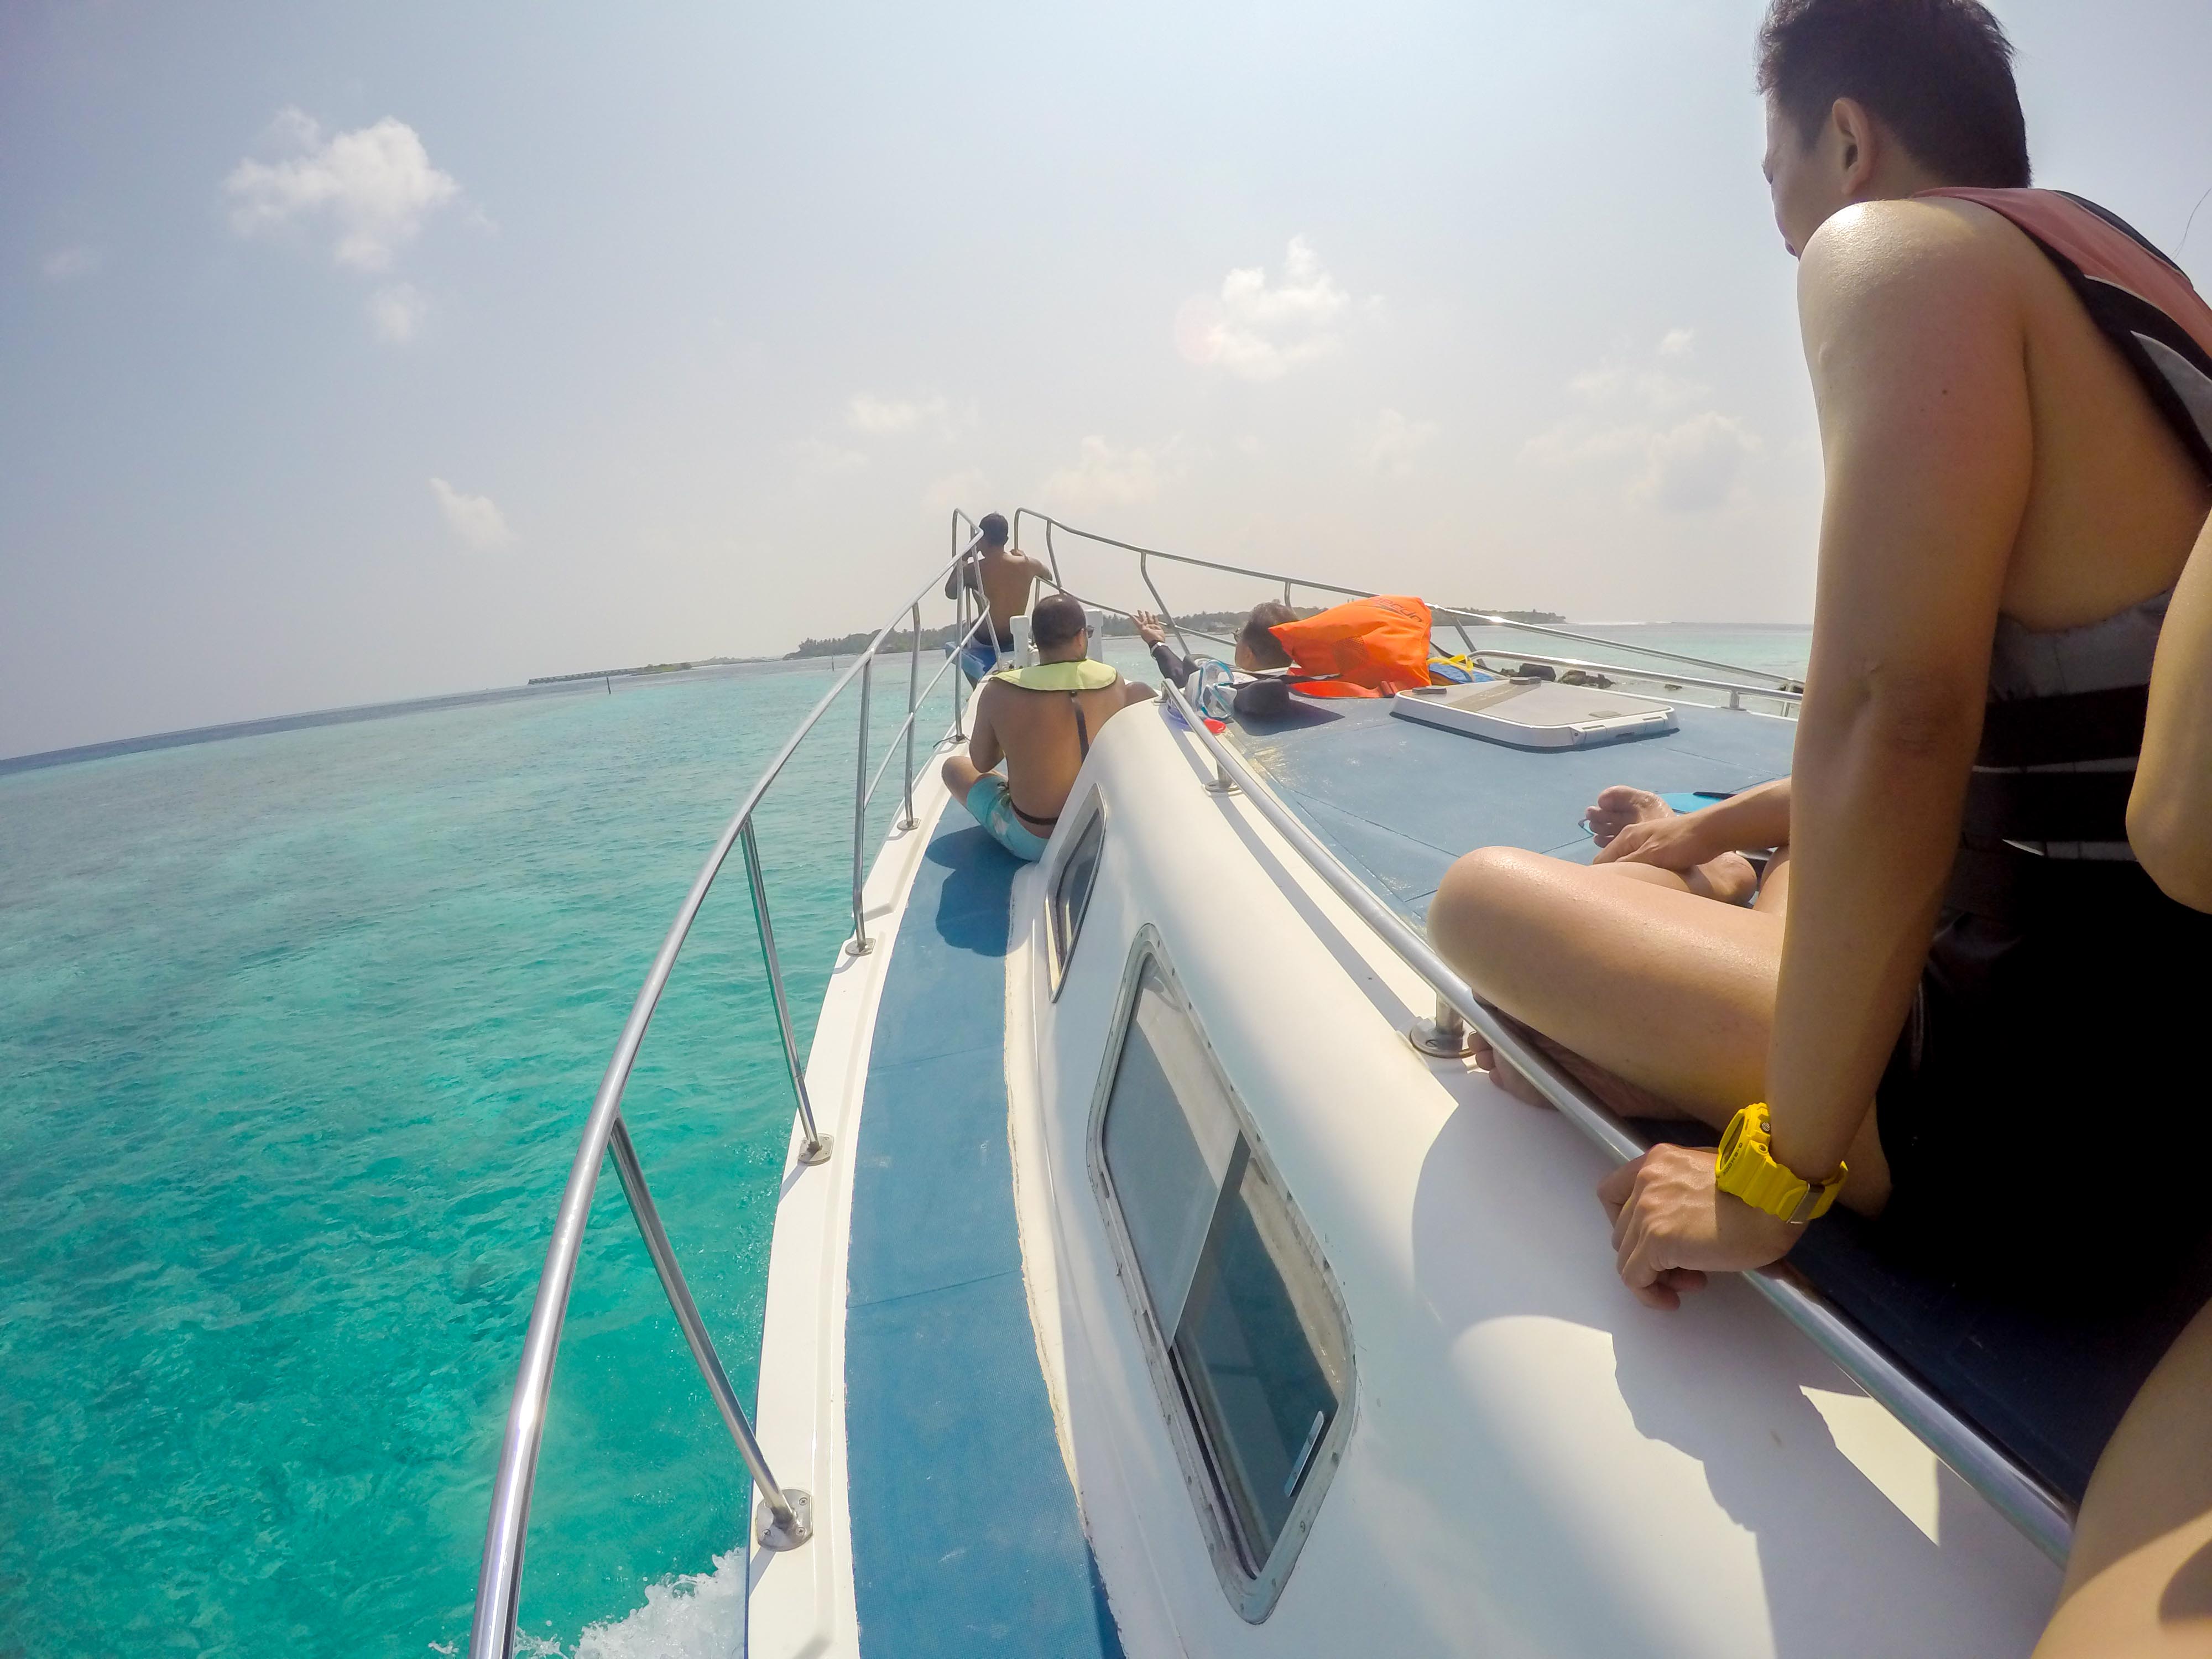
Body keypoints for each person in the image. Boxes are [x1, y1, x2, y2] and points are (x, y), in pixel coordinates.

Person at [1421, 4, 2212, 1650]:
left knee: (1484, 905)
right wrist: (1740, 821)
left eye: (1774, 169)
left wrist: (1769, 1175)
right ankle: (1725, 875)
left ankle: (1720, 940)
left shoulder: (1890, 255)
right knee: (1790, 845)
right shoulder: (2138, 293)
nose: (1781, 217)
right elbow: (2014, 727)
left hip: (2064, 1120)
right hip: (2148, 1030)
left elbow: (1892, 714)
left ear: (1844, 140)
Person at [941, 593, 1155, 862]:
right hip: (1099, 832)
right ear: (1081, 637)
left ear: (1037, 640)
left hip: (1034, 842)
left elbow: (982, 763)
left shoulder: (999, 690)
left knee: (953, 768)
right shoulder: (1113, 682)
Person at [1131, 603, 1299, 718]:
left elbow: (1183, 677)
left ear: (1248, 654)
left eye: (1239, 637)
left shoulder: (1236, 688)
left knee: (1137, 690)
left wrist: (1156, 643)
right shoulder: (1301, 684)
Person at [946, 513, 1056, 682]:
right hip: (1015, 635)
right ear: (1006, 539)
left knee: (963, 631)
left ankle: (977, 687)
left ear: (981, 539)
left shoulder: (974, 570)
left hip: (986, 639)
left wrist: (964, 558)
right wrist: (1023, 557)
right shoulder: (1028, 565)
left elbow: (950, 592)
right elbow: (1049, 576)